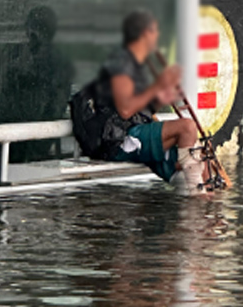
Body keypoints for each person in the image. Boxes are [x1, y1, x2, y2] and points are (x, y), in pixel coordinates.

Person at [70, 11, 207, 194]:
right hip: (117, 141)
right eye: (155, 31)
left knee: (200, 153)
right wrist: (158, 84)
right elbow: (125, 110)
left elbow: (142, 110)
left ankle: (200, 202)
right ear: (145, 33)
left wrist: (163, 95)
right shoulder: (122, 63)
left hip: (133, 133)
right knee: (187, 128)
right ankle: (197, 199)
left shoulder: (136, 65)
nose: (157, 36)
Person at [0, 6, 74, 165]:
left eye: (38, 30)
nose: (33, 36)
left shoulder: (57, 63)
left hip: (35, 134)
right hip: (13, 127)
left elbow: (55, 106)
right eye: (32, 30)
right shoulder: (15, 54)